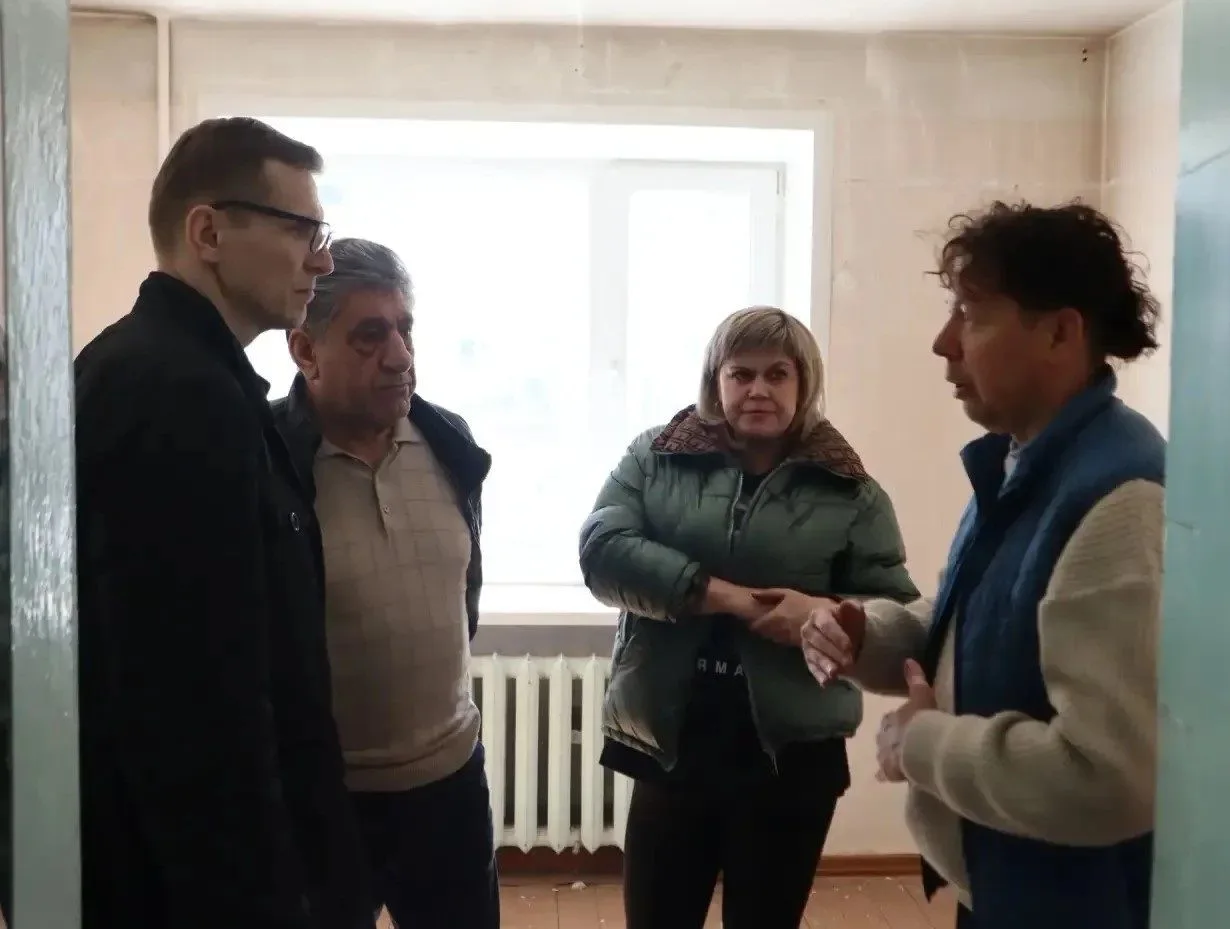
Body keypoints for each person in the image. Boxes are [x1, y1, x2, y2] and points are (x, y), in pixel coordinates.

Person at [802, 201, 1163, 929]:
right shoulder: (1023, 462)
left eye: (969, 314)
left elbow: (1107, 779)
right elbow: (974, 624)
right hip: (1005, 887)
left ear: (1060, 332)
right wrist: (866, 635)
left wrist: (921, 742)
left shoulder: (1118, 500)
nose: (943, 343)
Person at [74, 118, 369, 929]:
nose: (323, 260)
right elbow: (191, 703)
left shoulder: (182, 373)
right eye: (302, 230)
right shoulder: (174, 393)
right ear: (208, 233)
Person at [579, 305, 920, 929]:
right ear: (716, 381)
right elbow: (602, 551)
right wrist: (728, 597)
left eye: (777, 373)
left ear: (804, 383)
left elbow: (898, 614)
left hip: (793, 753)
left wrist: (822, 614)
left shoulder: (852, 490)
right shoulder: (655, 458)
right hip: (672, 736)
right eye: (741, 373)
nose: (758, 389)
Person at [272, 238, 497, 929]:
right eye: (370, 335)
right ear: (305, 350)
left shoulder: (449, 441)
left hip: (450, 783)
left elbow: (462, 593)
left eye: (405, 329)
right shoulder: (268, 459)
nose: (400, 356)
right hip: (324, 800)